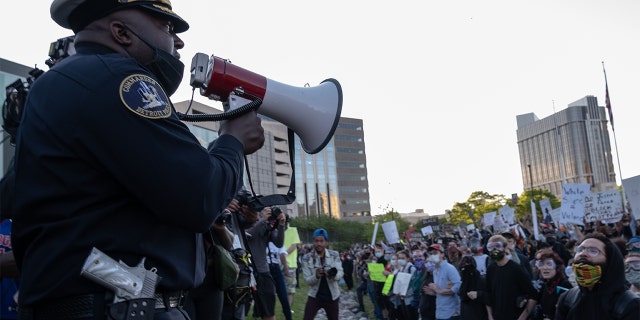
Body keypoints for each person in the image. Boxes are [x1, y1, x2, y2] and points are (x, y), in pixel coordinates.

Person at [10, 1, 265, 319]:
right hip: (114, 309)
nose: (179, 41)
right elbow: (200, 196)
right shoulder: (119, 79)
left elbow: (93, 241)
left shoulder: (62, 82)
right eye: (166, 26)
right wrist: (233, 141)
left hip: (103, 301)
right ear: (121, 32)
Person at [555, 232, 640, 320]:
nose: (583, 254)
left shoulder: (630, 304)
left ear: (610, 261)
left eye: (593, 251)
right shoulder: (567, 299)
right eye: (580, 249)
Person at [246, 206, 286, 320]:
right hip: (245, 273)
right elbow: (248, 234)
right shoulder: (243, 224)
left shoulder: (265, 227)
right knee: (238, 311)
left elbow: (278, 243)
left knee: (269, 312)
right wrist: (262, 220)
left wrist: (281, 225)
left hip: (263, 272)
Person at [484, 235, 537, 320]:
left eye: (497, 246)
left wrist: (522, 318)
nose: (494, 250)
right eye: (490, 247)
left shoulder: (516, 269)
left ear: (505, 248)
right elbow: (488, 294)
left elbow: (533, 295)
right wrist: (490, 316)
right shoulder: (491, 269)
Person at [300, 228, 343, 320]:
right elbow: (307, 280)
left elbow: (340, 272)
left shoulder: (334, 255)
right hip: (315, 295)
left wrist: (332, 274)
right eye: (316, 241)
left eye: (321, 241)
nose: (319, 244)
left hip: (332, 296)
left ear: (326, 242)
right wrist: (316, 276)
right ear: (313, 242)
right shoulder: (307, 258)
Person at [531, 251, 571, 320]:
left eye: (549, 264)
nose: (545, 268)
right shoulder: (545, 284)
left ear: (557, 267)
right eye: (541, 264)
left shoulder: (564, 285)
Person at [426, 243, 461, 320]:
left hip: (451, 312)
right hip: (440, 311)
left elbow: (458, 286)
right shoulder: (435, 270)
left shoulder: (449, 268)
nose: (432, 256)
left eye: (435, 253)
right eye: (431, 254)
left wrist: (440, 291)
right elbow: (440, 289)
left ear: (442, 254)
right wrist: (434, 292)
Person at [458, 255, 488, 320]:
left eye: (468, 265)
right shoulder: (463, 280)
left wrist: (478, 294)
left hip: (479, 314)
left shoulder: (481, 280)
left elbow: (488, 297)